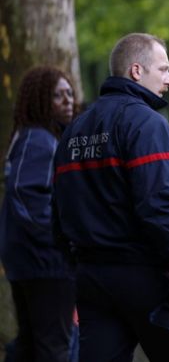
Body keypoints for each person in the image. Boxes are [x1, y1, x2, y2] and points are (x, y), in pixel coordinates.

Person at [52, 33, 169, 362]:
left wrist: (74, 267)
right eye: (164, 69)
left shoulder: (74, 130)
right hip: (145, 279)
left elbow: (57, 211)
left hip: (89, 279)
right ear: (136, 71)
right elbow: (158, 211)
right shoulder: (147, 125)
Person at [0, 66, 77, 361]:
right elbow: (26, 194)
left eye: (69, 93)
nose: (67, 101)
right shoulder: (38, 139)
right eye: (57, 96)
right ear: (40, 101)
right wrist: (61, 240)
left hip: (31, 261)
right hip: (44, 264)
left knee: (30, 344)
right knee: (52, 346)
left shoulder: (35, 136)